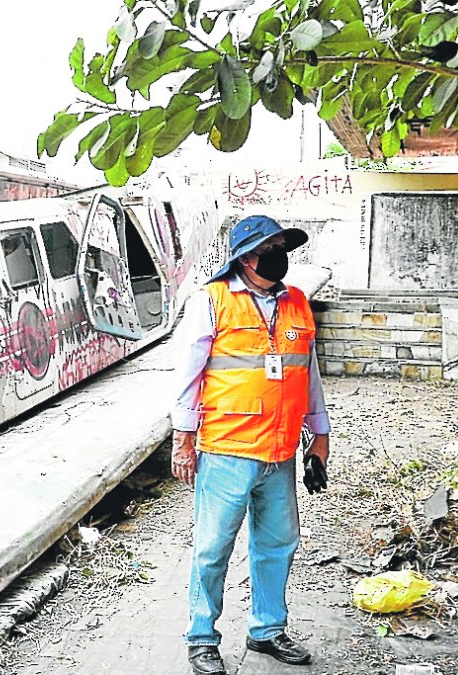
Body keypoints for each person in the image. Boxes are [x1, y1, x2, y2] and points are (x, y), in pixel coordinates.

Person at [170, 215, 331, 675]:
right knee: (212, 547)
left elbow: (308, 374)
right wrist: (184, 441)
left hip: (280, 453)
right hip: (227, 449)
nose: (278, 255)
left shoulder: (297, 302)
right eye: (269, 247)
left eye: (283, 246)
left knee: (278, 543)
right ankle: (201, 638)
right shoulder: (211, 301)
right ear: (245, 255)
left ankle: (267, 630)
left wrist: (319, 437)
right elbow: (188, 377)